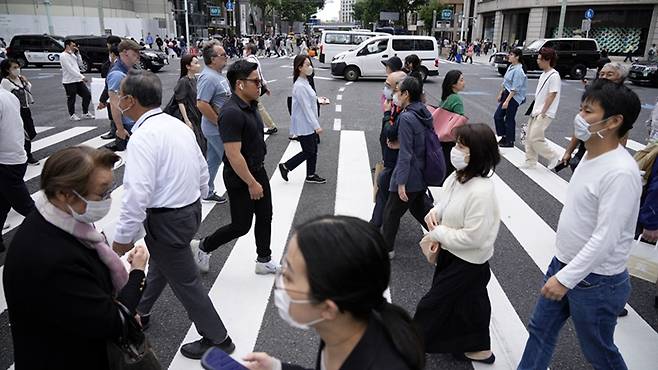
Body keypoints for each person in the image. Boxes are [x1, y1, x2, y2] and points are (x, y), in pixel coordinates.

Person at [518, 79, 642, 369]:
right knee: (540, 330)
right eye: (581, 109)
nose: (579, 117)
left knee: (599, 351)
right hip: (564, 264)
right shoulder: (589, 153)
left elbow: (606, 237)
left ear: (614, 122)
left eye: (588, 112)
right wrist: (561, 270)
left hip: (596, 280)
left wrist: (565, 279)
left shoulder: (621, 172)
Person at [110, 70, 234, 359]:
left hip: (166, 219)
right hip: (188, 211)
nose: (118, 102)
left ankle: (218, 337)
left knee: (186, 280)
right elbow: (202, 169)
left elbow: (136, 193)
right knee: (163, 267)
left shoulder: (142, 137)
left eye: (121, 97)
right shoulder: (177, 126)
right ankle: (140, 311)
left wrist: (124, 238)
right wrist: (199, 195)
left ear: (130, 100)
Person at [3, 145, 149, 368]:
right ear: (64, 193)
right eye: (102, 193)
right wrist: (137, 273)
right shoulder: (52, 257)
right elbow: (110, 322)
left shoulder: (55, 222)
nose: (108, 200)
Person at [242, 215, 425, 370]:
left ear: (328, 309)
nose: (279, 283)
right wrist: (277, 367)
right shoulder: (342, 329)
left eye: (289, 277)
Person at [415, 123, 501, 364]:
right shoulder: (457, 177)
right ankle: (479, 349)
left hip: (468, 260)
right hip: (454, 254)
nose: (455, 149)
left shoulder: (481, 192)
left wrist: (439, 232)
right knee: (471, 303)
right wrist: (435, 211)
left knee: (433, 304)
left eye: (461, 146)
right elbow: (447, 201)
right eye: (456, 144)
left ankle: (407, 345)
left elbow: (474, 237)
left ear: (478, 153)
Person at [192, 60, 280, 275]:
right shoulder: (231, 112)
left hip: (257, 170)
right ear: (240, 84)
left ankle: (264, 260)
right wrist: (251, 183)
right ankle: (203, 246)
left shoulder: (249, 104)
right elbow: (233, 154)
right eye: (255, 81)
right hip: (241, 176)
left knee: (265, 215)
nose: (259, 85)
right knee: (241, 225)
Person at [381, 76, 434, 258]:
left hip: (409, 174)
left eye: (398, 91)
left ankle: (386, 250)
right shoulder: (423, 111)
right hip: (420, 170)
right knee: (421, 209)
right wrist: (402, 143)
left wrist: (401, 182)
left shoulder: (407, 116)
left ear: (406, 94)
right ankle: (446, 237)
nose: (395, 95)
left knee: (391, 213)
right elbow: (420, 141)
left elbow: (406, 155)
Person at [558, 62, 629, 172]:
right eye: (602, 74)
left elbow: (623, 134)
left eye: (609, 75)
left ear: (621, 78)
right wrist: (568, 152)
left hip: (605, 153)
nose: (604, 77)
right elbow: (579, 126)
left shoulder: (624, 101)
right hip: (585, 150)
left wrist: (617, 161)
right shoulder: (592, 96)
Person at [279, 55, 326, 185]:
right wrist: (316, 126)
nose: (310, 67)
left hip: (308, 123)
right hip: (304, 124)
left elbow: (309, 100)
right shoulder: (299, 85)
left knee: (313, 149)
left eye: (310, 64)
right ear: (299, 68)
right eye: (307, 64)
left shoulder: (305, 82)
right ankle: (286, 166)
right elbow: (306, 108)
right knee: (309, 151)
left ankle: (310, 174)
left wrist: (318, 100)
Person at [370, 71, 408, 228]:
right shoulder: (397, 106)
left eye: (388, 86)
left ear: (400, 89)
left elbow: (390, 133)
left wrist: (386, 114)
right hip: (393, 160)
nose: (385, 89)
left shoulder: (405, 111)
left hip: (399, 163)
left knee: (386, 189)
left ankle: (376, 227)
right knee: (387, 193)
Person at [0, 88, 35, 253]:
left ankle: (60, 237)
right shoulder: (8, 95)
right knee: (2, 202)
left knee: (26, 206)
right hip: (15, 157)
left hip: (5, 161)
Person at [197, 41, 231, 204]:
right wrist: (220, 123)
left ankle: (205, 190)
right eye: (222, 55)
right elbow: (201, 104)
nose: (226, 56)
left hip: (217, 128)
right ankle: (239, 191)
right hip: (216, 129)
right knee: (231, 161)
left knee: (213, 160)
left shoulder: (217, 75)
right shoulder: (208, 77)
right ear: (212, 59)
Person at [522, 47, 562, 169]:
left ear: (548, 59)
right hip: (537, 110)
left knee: (535, 138)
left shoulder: (554, 75)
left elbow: (552, 94)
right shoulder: (544, 74)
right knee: (529, 137)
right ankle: (530, 161)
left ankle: (553, 156)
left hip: (545, 112)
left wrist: (543, 112)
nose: (537, 61)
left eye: (540, 59)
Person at [1, 58, 38, 164]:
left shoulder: (20, 78)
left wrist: (26, 82)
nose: (17, 69)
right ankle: (27, 155)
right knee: (23, 133)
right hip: (15, 111)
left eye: (18, 67)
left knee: (31, 132)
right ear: (7, 70)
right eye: (14, 67)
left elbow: (28, 91)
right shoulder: (5, 82)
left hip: (26, 109)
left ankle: (24, 152)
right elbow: (4, 96)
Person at [107, 39, 142, 152]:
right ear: (125, 52)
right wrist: (120, 129)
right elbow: (114, 103)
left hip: (136, 120)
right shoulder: (117, 74)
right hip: (129, 123)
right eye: (135, 52)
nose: (138, 55)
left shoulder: (131, 69)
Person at [172, 54, 205, 154]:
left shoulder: (194, 79)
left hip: (197, 116)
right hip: (190, 117)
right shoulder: (184, 81)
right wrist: (186, 120)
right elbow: (180, 101)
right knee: (196, 144)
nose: (198, 65)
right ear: (188, 66)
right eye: (195, 63)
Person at [243, 43, 279, 135]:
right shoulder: (255, 59)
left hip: (252, 88)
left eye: (245, 49)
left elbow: (254, 76)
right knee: (254, 107)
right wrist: (265, 86)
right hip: (255, 87)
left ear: (249, 50)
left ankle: (270, 126)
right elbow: (260, 74)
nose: (244, 50)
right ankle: (266, 126)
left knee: (255, 107)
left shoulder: (249, 61)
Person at [494, 48, 527, 147]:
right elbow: (505, 82)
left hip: (514, 97)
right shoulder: (511, 66)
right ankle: (504, 136)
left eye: (511, 55)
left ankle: (509, 141)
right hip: (506, 93)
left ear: (517, 57)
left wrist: (507, 101)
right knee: (498, 116)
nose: (509, 56)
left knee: (509, 118)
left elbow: (515, 88)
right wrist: (501, 93)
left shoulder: (519, 70)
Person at [439, 70, 465, 178]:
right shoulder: (456, 99)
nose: (464, 82)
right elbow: (460, 121)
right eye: (461, 80)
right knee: (449, 170)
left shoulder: (446, 96)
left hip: (441, 136)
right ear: (453, 84)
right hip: (450, 138)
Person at [60, 39, 93, 121]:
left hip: (78, 80)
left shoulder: (73, 55)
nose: (74, 47)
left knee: (87, 95)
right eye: (73, 45)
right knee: (72, 98)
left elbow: (80, 64)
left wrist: (78, 54)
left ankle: (85, 113)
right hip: (69, 81)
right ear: (67, 46)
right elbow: (69, 69)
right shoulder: (63, 56)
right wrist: (82, 76)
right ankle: (72, 114)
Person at [99, 35, 122, 142]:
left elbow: (108, 85)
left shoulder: (116, 66)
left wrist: (102, 99)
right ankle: (115, 131)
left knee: (114, 107)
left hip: (117, 92)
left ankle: (116, 133)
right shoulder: (121, 60)